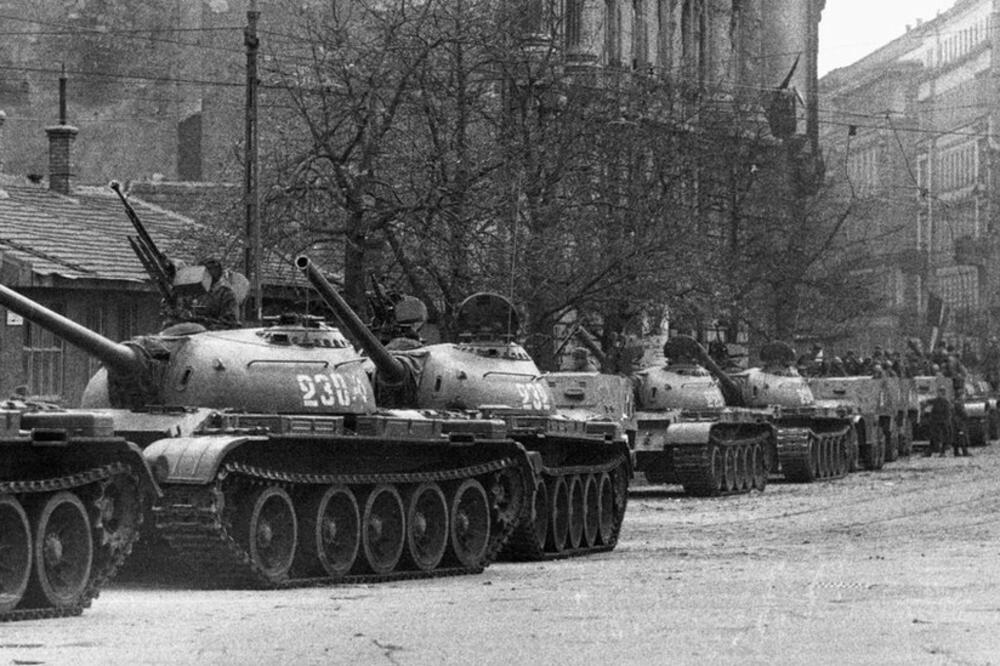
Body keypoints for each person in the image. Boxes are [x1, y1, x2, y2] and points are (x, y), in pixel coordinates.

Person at [196, 256, 240, 328]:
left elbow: (230, 321)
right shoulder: (196, 292)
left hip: (215, 333)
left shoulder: (226, 293)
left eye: (208, 271)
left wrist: (207, 322)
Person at [925, 386, 953, 457]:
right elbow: (927, 402)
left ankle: (941, 452)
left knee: (942, 438)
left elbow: (947, 413)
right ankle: (930, 452)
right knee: (934, 438)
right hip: (936, 422)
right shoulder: (937, 401)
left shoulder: (944, 402)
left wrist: (947, 421)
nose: (939, 393)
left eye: (940, 392)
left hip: (942, 422)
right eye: (939, 392)